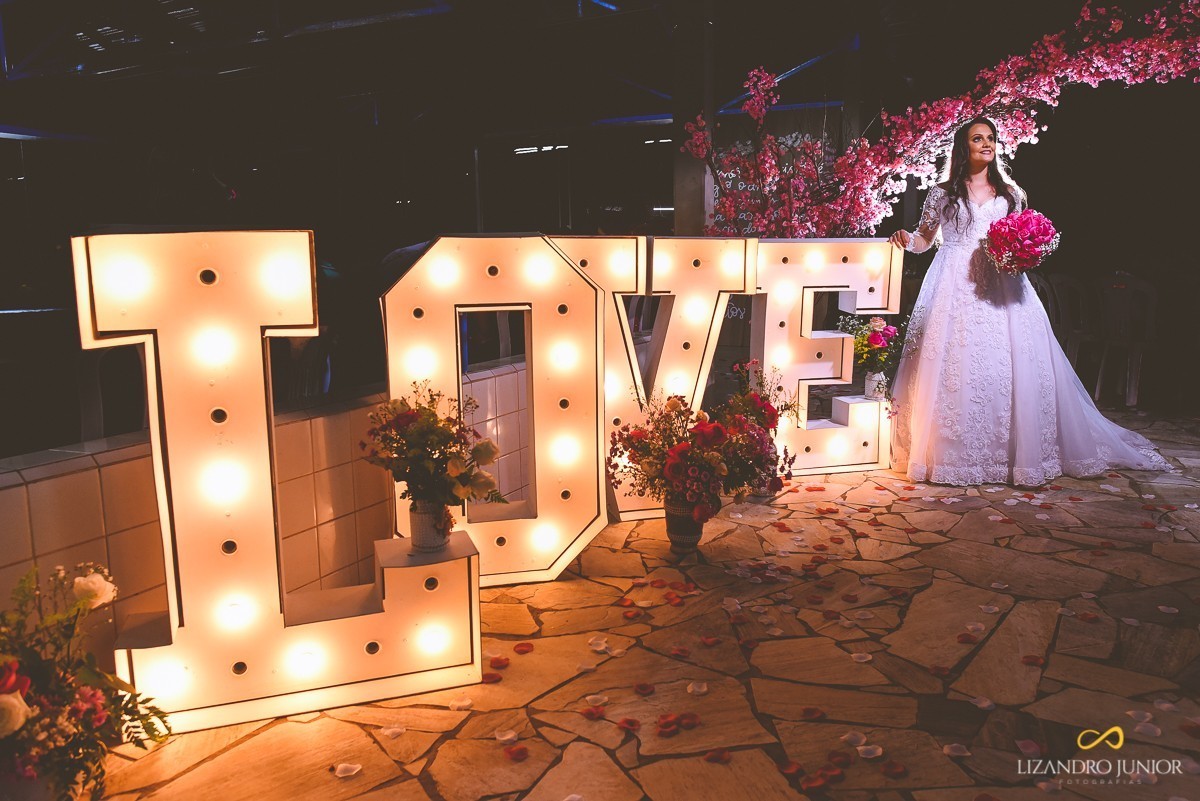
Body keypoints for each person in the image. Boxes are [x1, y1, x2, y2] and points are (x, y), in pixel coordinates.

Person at [887, 117, 1169, 486]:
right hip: (953, 281)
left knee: (1007, 364)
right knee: (956, 363)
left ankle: (1014, 455)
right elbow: (926, 239)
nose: (986, 144)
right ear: (963, 147)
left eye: (990, 138)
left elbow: (1020, 238)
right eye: (977, 139)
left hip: (1002, 284)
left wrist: (1024, 253)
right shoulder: (943, 193)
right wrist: (908, 238)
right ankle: (949, 454)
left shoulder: (1011, 194)